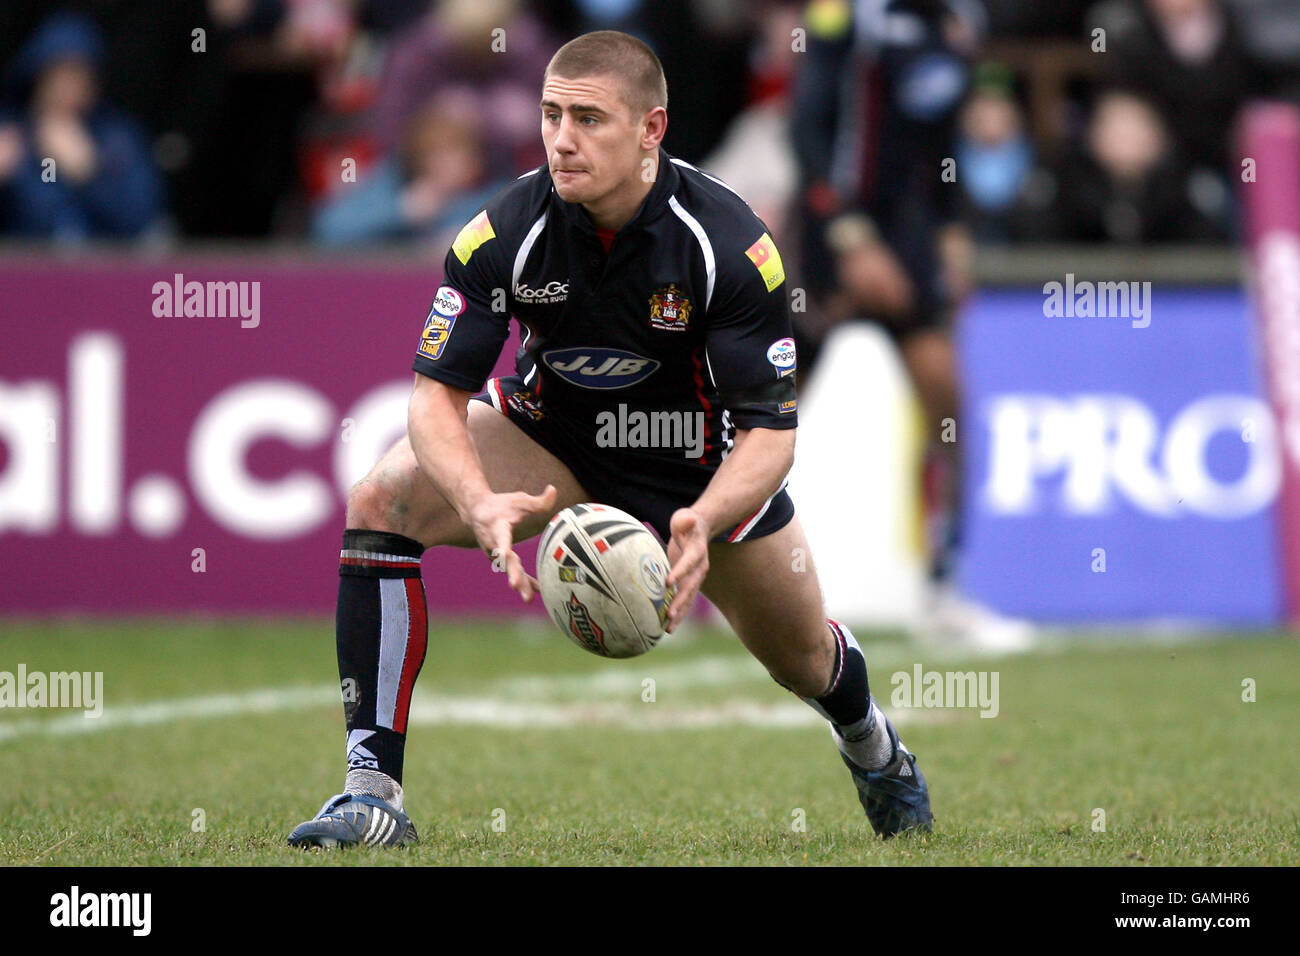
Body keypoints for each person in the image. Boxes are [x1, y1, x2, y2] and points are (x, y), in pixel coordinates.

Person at [286, 29, 932, 848]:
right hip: (554, 442)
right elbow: (435, 398)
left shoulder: (730, 245)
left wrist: (704, 517)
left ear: (650, 130)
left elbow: (771, 435)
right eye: (553, 114)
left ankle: (876, 750)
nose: (562, 138)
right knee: (384, 498)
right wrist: (476, 498)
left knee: (805, 661)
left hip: (700, 466)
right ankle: (370, 794)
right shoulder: (502, 233)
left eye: (589, 118)